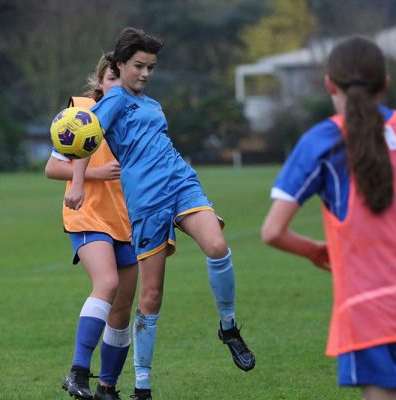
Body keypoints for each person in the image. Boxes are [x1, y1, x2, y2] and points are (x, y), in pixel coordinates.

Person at [65, 27, 255, 400]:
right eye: (139, 66)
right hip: (147, 200)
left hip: (181, 183)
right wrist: (76, 183)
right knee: (150, 297)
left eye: (151, 67)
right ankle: (142, 388)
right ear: (120, 65)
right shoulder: (114, 98)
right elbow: (86, 138)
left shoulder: (152, 104)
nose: (146, 74)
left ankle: (229, 328)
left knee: (217, 246)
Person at [261, 36, 396, 400]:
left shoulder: (323, 140)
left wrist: (315, 251)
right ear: (386, 84)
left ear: (329, 84)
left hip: (373, 306)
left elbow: (273, 231)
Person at [46, 53, 138, 400]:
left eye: (121, 78)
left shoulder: (139, 117)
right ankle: (78, 372)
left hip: (127, 221)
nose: (117, 84)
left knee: (122, 309)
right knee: (107, 281)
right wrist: (92, 175)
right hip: (87, 214)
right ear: (101, 82)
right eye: (110, 78)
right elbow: (52, 169)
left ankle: (107, 388)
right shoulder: (82, 115)